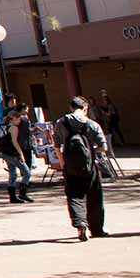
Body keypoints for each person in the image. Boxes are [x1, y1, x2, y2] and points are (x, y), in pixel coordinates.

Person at [52, 96, 110, 241]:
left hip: (70, 165)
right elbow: (104, 147)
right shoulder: (92, 124)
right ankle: (97, 229)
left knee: (74, 195)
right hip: (90, 166)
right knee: (94, 197)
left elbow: (57, 145)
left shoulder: (60, 123)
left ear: (71, 108)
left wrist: (62, 162)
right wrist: (91, 151)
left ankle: (80, 224)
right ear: (85, 109)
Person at [0, 106, 36, 203]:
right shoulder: (14, 128)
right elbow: (15, 142)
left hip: (6, 153)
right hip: (13, 154)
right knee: (27, 172)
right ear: (14, 118)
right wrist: (21, 154)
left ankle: (13, 197)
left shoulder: (5, 127)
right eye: (18, 119)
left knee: (13, 174)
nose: (19, 121)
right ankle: (22, 193)